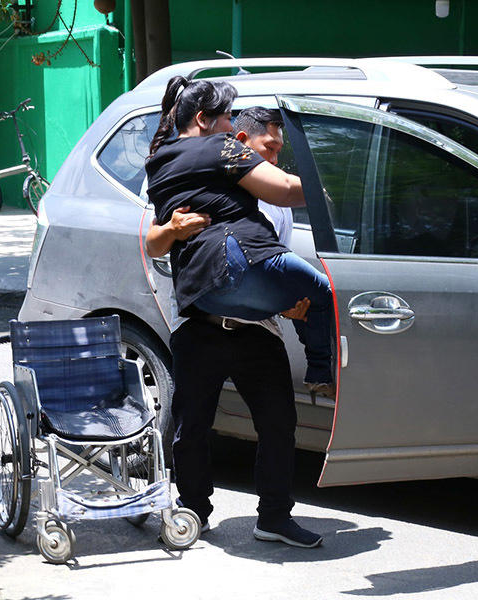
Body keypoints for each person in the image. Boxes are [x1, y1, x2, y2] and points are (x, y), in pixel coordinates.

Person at [144, 89, 325, 548]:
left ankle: (275, 517)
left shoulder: (267, 204)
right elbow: (151, 243)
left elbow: (268, 270)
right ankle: (193, 511)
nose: (273, 160)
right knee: (191, 426)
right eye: (269, 149)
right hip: (203, 327)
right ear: (217, 127)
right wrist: (174, 229)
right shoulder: (210, 167)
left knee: (279, 424)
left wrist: (286, 303)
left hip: (258, 330)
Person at [144, 76, 334, 395]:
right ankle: (320, 372)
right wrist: (327, 192)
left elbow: (153, 244)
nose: (230, 127)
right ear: (202, 119)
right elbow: (285, 190)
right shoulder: (220, 146)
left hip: (201, 294)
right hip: (239, 259)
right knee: (326, 291)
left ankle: (319, 371)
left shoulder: (159, 164)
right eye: (226, 117)